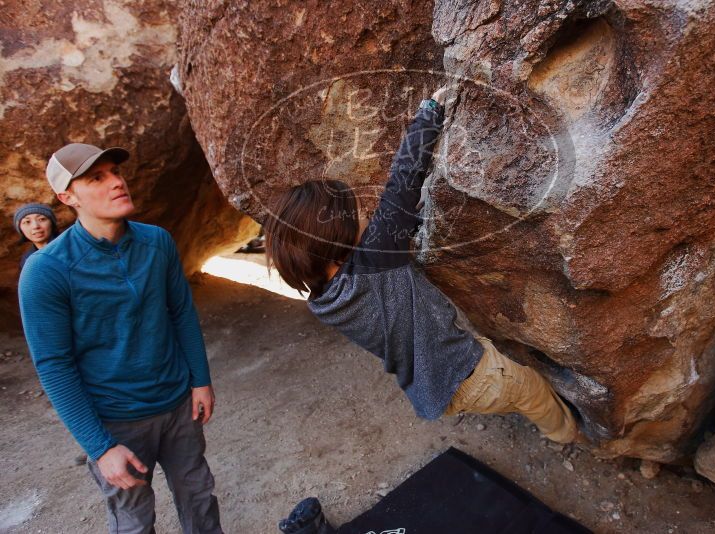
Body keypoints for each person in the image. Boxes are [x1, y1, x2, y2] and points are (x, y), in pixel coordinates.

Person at [264, 87, 579, 445]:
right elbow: (404, 179)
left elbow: (387, 263)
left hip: (434, 385)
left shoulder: (324, 301)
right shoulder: (375, 261)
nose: (367, 215)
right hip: (472, 375)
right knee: (530, 388)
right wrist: (429, 113)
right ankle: (566, 433)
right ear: (338, 242)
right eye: (358, 216)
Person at [18, 143, 223, 533]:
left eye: (116, 172)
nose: (116, 182)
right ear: (67, 197)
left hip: (178, 406)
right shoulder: (46, 271)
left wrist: (200, 380)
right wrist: (100, 447)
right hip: (117, 422)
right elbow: (54, 366)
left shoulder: (157, 242)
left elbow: (180, 313)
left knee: (200, 499)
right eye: (97, 178)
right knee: (133, 521)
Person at [13, 203, 59, 268]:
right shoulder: (27, 260)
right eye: (27, 222)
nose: (35, 226)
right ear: (20, 229)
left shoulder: (71, 244)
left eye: (41, 219)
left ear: (52, 223)